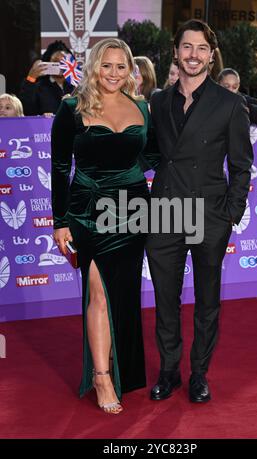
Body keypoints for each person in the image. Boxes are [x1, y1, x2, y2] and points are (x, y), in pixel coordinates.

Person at [146, 19, 253, 403]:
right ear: (176, 52)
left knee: (207, 299)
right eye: (187, 47)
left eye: (202, 48)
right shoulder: (158, 101)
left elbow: (242, 166)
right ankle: (170, 371)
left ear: (212, 55)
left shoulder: (230, 103)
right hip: (164, 211)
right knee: (165, 299)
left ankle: (200, 374)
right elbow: (151, 153)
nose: (193, 55)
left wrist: (230, 213)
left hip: (210, 214)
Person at [51, 38, 159, 414]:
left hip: (133, 210)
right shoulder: (71, 107)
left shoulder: (142, 107)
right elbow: (61, 167)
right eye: (106, 66)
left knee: (125, 292)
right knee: (97, 291)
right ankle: (101, 376)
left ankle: (120, 367)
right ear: (94, 67)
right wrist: (61, 220)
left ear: (130, 69)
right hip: (88, 210)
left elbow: (154, 156)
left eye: (120, 66)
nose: (113, 73)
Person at [19, 40, 74, 116]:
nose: (60, 65)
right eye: (55, 61)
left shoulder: (77, 86)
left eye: (64, 61)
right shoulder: (38, 87)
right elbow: (26, 110)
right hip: (44, 127)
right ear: (47, 62)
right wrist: (30, 79)